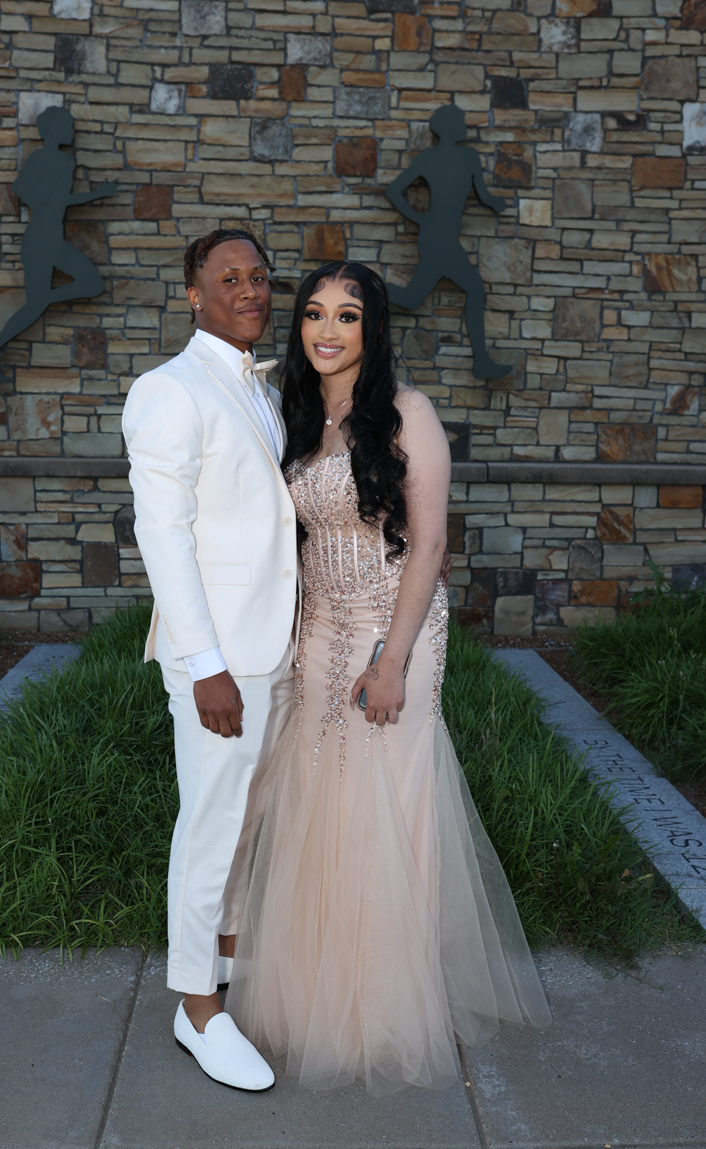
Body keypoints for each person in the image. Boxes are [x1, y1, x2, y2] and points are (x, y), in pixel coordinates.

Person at [225, 262, 551, 1095]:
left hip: (391, 631)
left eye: (348, 315)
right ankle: (317, 992)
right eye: (314, 314)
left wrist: (393, 661)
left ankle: (387, 1005)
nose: (328, 330)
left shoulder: (408, 413)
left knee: (387, 802)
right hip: (316, 633)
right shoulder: (295, 415)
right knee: (317, 800)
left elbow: (430, 545)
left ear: (373, 328)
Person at [122, 229, 299, 1092]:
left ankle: (224, 960)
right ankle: (195, 1007)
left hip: (277, 642)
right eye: (229, 278)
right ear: (193, 294)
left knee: (248, 817)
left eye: (259, 276)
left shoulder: (263, 389)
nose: (250, 290)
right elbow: (163, 536)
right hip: (222, 655)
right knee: (211, 823)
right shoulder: (169, 389)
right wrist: (205, 665)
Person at [0, 106, 115, 384]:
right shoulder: (61, 161)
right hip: (43, 240)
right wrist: (98, 194)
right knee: (89, 285)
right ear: (55, 130)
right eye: (68, 126)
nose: (73, 131)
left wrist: (43, 200)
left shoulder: (45, 157)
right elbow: (45, 195)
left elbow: (26, 189)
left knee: (81, 288)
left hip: (45, 238)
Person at [385, 104, 511, 382]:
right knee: (473, 288)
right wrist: (419, 218)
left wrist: (495, 204)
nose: (466, 125)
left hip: (439, 237)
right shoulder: (456, 157)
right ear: (451, 127)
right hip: (437, 239)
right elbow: (393, 190)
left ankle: (367, 289)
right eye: (462, 121)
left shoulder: (460, 158)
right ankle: (481, 363)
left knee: (412, 298)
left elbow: (483, 196)